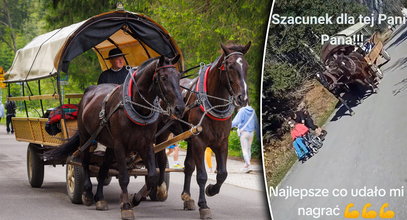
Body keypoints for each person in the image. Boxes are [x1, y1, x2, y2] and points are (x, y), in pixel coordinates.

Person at [94, 48, 130, 156]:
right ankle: (102, 145)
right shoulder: (104, 76)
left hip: (128, 105)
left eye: (122, 58)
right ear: (111, 61)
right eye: (117, 58)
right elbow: (99, 94)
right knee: (102, 118)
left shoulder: (129, 73)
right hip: (109, 107)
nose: (120, 60)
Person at [232, 105, 259, 173]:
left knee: (244, 150)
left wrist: (227, 125)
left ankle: (248, 163)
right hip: (251, 133)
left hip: (244, 133)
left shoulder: (242, 111)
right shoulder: (253, 111)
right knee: (248, 149)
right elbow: (256, 123)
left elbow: (236, 121)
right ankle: (247, 167)